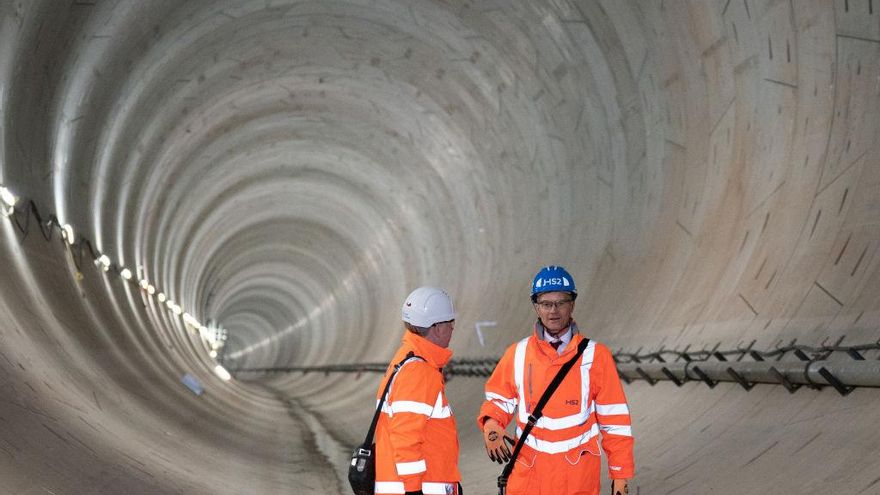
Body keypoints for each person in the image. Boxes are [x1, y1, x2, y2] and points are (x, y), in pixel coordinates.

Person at [477, 266, 634, 495]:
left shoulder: (596, 357)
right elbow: (499, 401)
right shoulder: (518, 354)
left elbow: (615, 423)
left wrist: (620, 475)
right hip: (529, 482)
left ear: (572, 304)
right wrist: (491, 424)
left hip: (576, 482)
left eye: (561, 302)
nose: (553, 311)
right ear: (536, 306)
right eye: (546, 304)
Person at [374, 287, 463, 495]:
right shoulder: (419, 371)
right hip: (420, 488)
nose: (452, 329)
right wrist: (414, 490)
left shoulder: (406, 360)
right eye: (450, 323)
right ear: (438, 328)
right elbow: (406, 437)